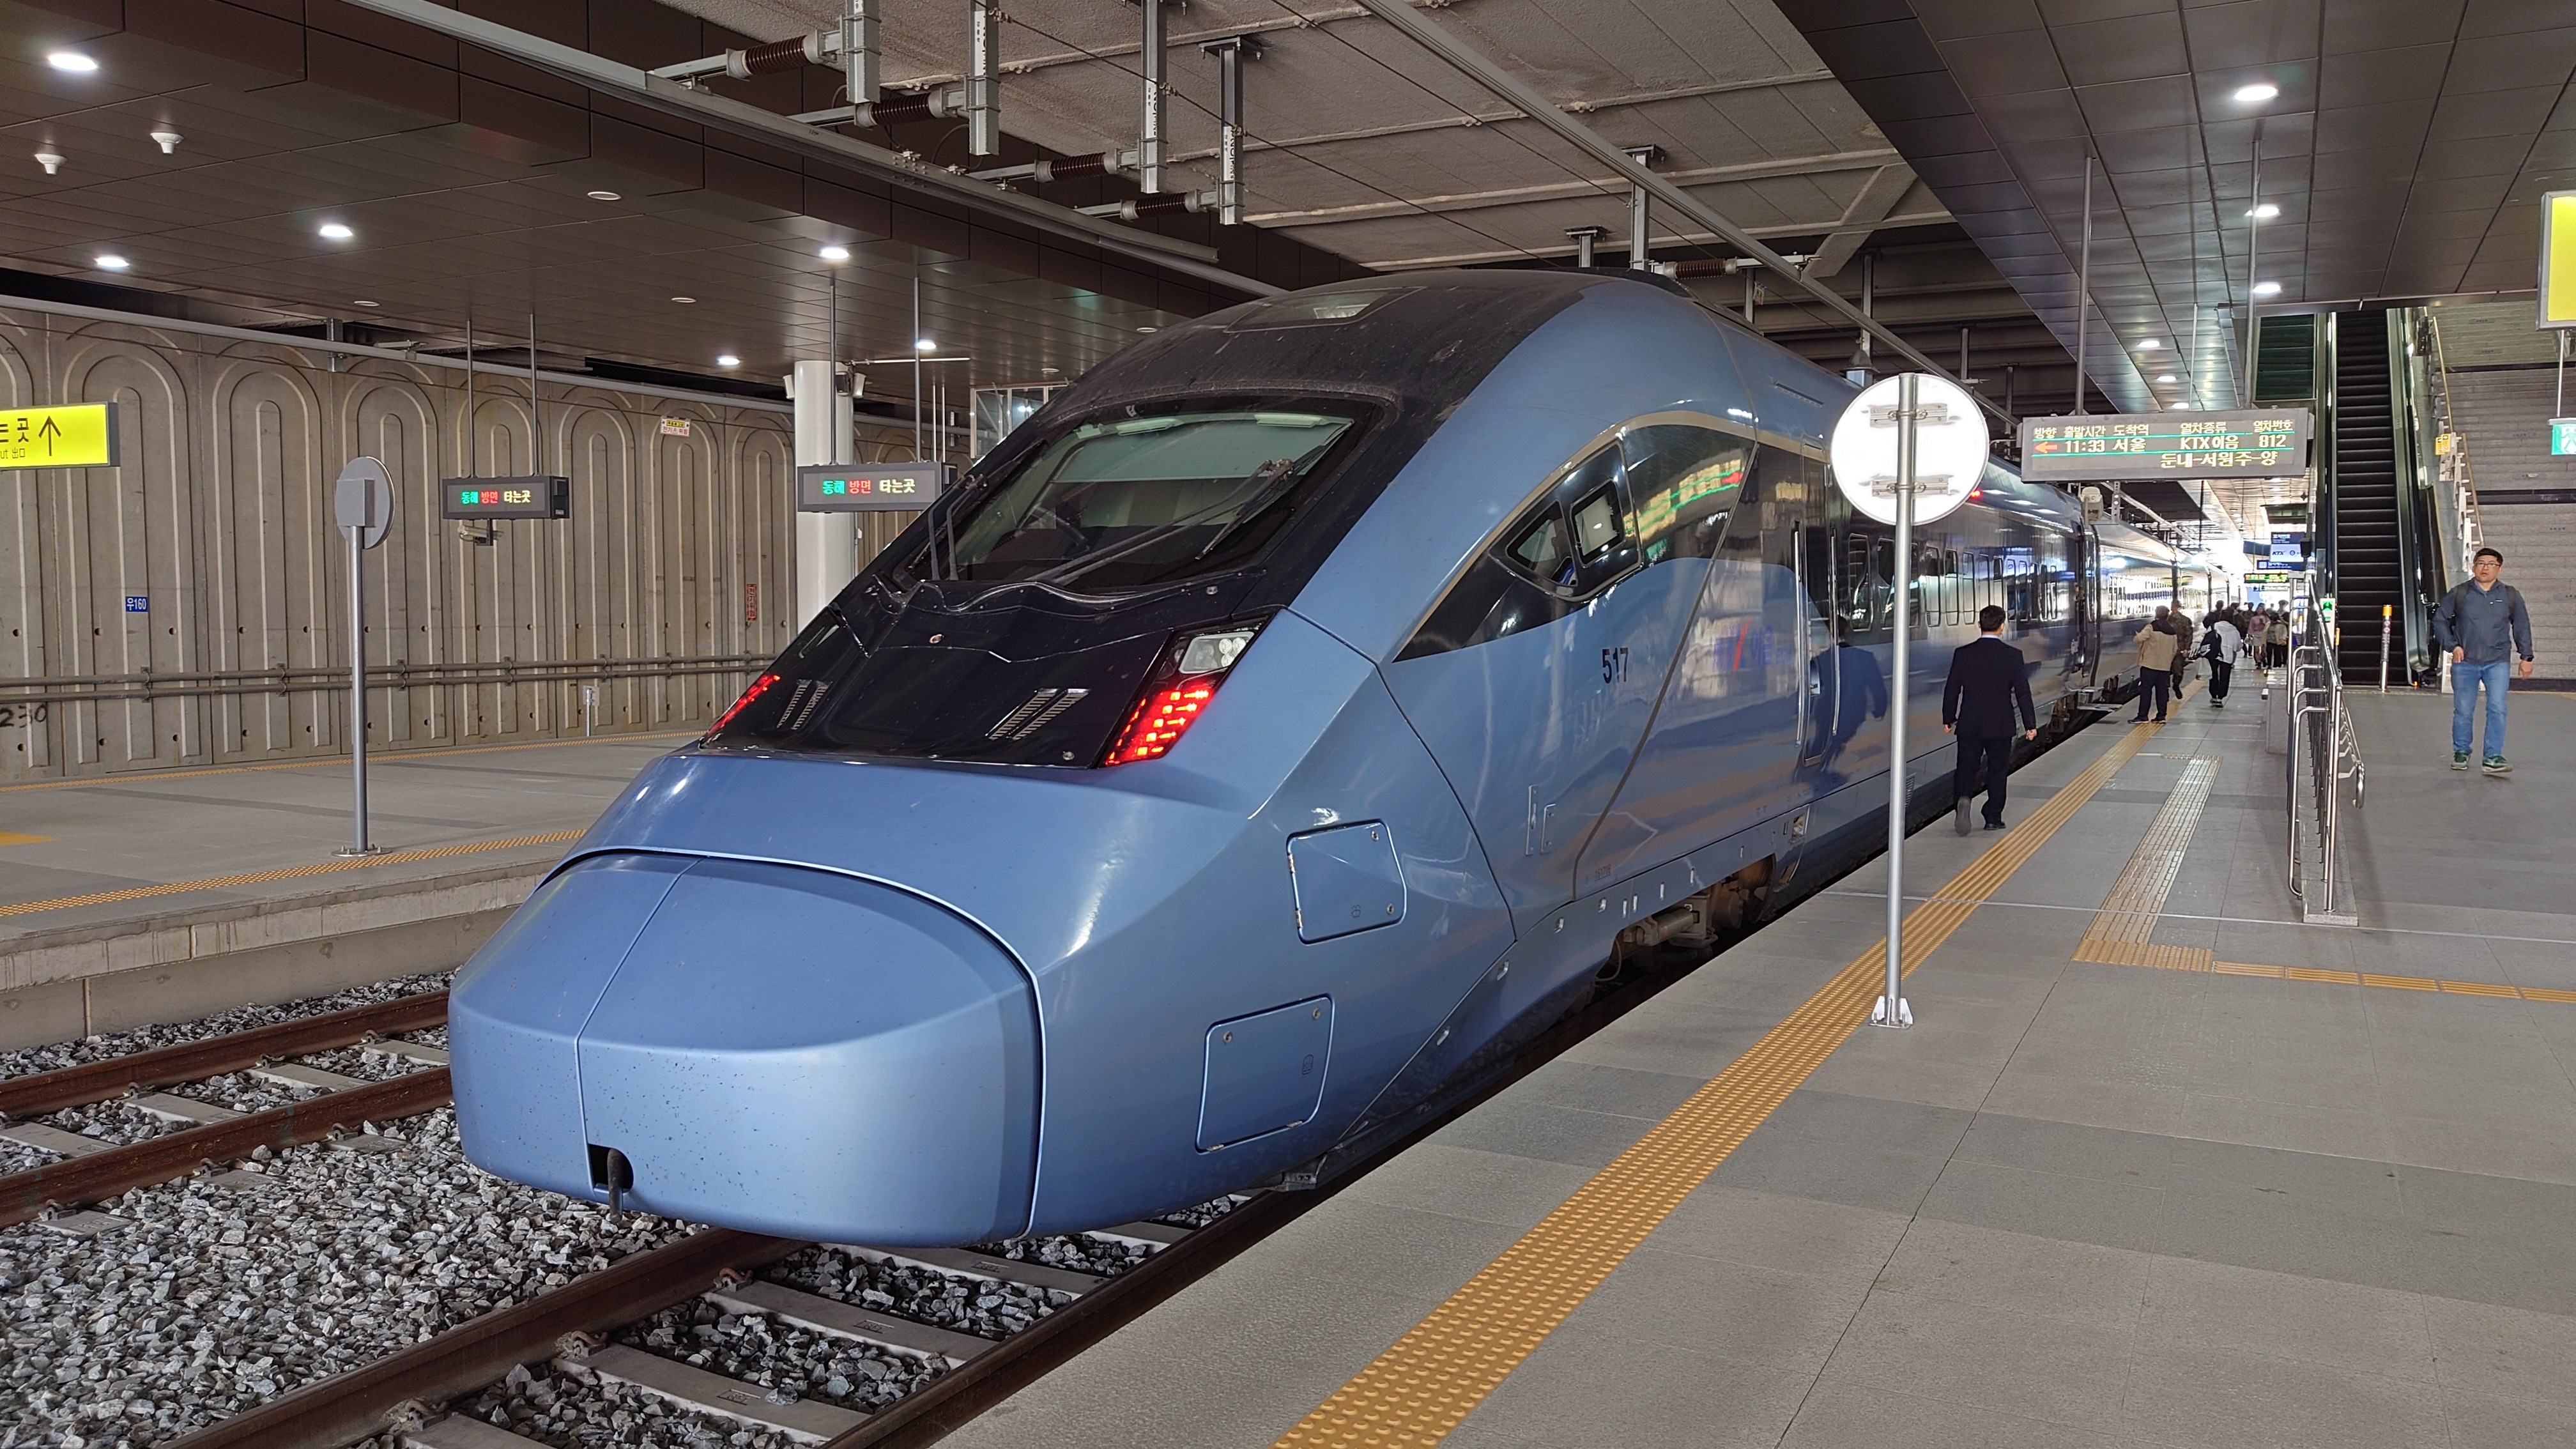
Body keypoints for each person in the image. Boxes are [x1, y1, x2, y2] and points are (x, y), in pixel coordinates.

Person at [2434, 546, 2536, 774]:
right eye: (2481, 563)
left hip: (2497, 661)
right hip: (2465, 662)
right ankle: (2461, 751)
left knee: (2497, 708)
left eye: (2491, 564)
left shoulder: (2510, 595)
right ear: (2473, 567)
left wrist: (2526, 656)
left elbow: (2522, 625)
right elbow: (2439, 620)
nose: (2485, 568)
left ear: (2499, 569)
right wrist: (2452, 646)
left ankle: (2493, 757)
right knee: (2463, 710)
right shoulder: (2460, 593)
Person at [1945, 603, 2039, 833]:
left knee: (1966, 767)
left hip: (1970, 723)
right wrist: (2030, 724)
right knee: (1997, 770)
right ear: (2002, 626)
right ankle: (1993, 818)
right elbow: (2023, 693)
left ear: (1979, 624)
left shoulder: (1963, 654)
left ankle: (1964, 799)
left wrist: (1949, 718)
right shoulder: (2013, 656)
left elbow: (1952, 689)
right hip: (2001, 724)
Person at [2133, 608, 2179, 723]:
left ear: (2157, 614)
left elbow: (2138, 639)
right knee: (2162, 691)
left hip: (2149, 665)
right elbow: (2175, 650)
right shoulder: (2172, 631)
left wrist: (2138, 634)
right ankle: (2161, 716)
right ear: (2167, 616)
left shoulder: (2151, 627)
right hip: (2164, 667)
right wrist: (2167, 660)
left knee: (2146, 691)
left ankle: (2143, 716)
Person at [2201, 610, 2243, 708]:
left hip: (2214, 654)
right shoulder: (2234, 629)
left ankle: (2214, 696)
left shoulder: (2214, 626)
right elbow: (2238, 647)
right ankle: (2220, 698)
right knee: (2225, 677)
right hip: (2227, 656)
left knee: (2214, 675)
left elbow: (2206, 639)